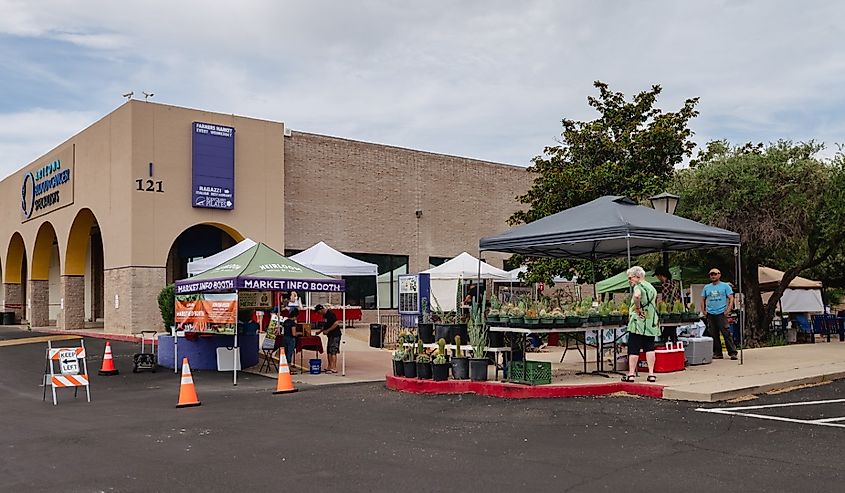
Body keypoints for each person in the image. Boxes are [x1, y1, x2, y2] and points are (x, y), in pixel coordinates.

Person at [623, 266, 659, 383]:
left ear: (637, 276)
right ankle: (651, 373)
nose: (629, 281)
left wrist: (637, 308)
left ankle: (631, 374)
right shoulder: (651, 287)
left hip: (638, 322)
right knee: (649, 347)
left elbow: (637, 295)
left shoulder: (638, 286)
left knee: (634, 348)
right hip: (650, 321)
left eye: (630, 278)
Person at [700, 268, 738, 360]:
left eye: (715, 274)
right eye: (711, 274)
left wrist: (728, 309)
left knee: (726, 332)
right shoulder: (707, 287)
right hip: (710, 313)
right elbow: (702, 299)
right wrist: (704, 310)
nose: (713, 276)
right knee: (713, 333)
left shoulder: (725, 286)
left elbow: (731, 298)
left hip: (721, 313)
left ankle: (732, 352)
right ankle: (717, 352)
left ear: (719, 275)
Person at [654, 265, 680, 343]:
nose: (657, 278)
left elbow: (665, 299)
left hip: (668, 312)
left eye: (657, 276)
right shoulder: (674, 283)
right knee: (672, 330)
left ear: (660, 275)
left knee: (667, 331)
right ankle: (674, 347)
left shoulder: (665, 284)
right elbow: (678, 297)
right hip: (676, 312)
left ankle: (665, 345)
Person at [315, 304, 341, 374]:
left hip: (335, 335)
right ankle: (329, 366)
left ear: (321, 309)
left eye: (318, 312)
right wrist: (320, 331)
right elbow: (325, 325)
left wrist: (328, 330)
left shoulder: (330, 314)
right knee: (328, 351)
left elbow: (336, 323)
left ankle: (334, 367)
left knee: (333, 350)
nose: (319, 314)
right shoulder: (324, 316)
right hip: (330, 335)